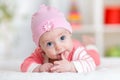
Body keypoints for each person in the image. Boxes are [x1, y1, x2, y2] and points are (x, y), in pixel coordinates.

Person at [21, 4, 100, 73]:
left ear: (69, 34)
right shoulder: (40, 53)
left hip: (80, 47)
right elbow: (25, 65)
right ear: (41, 48)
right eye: (49, 44)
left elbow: (91, 63)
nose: (58, 47)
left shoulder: (76, 51)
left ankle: (90, 44)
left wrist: (71, 66)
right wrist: (39, 68)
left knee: (95, 59)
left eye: (62, 38)